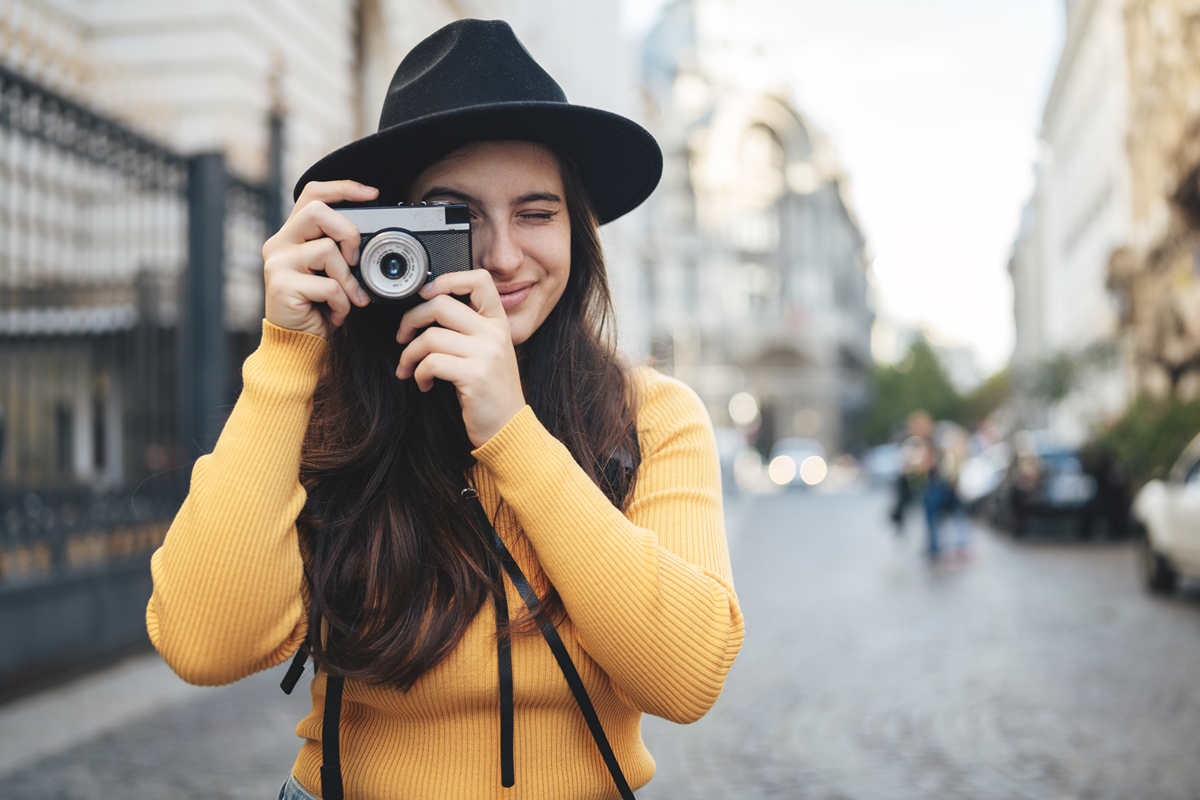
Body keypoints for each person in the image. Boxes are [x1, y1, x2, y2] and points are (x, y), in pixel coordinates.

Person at [146, 19, 743, 800]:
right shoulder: (326, 407)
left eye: (536, 213)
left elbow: (688, 676)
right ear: (390, 230)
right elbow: (203, 644)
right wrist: (287, 351)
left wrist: (513, 436)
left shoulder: (652, 415)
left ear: (579, 231)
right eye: (455, 216)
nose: (501, 256)